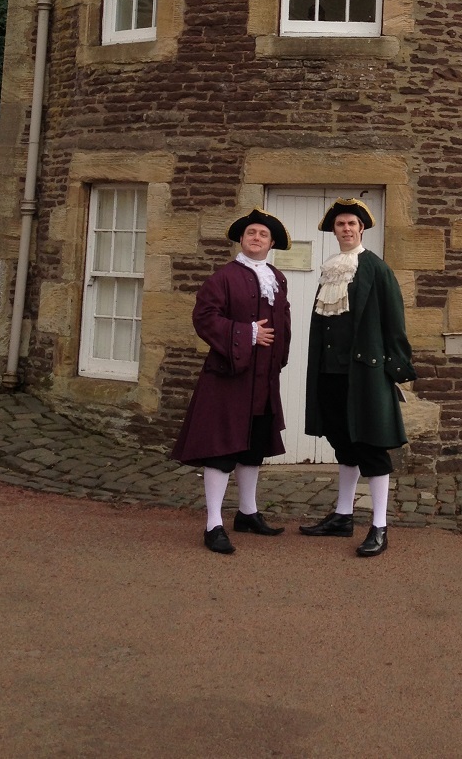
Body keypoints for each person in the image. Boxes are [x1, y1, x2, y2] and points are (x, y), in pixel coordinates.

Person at [300, 198, 417, 557]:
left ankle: (379, 526)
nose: (346, 229)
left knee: (371, 447)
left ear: (361, 229)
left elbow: (394, 323)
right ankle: (342, 516)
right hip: (330, 373)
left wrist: (394, 371)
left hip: (366, 374)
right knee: (343, 444)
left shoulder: (376, 269)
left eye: (351, 223)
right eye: (340, 225)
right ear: (333, 231)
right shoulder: (330, 268)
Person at [171, 208, 292, 553]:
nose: (256, 238)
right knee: (222, 449)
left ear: (271, 243)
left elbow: (283, 322)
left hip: (263, 380)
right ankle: (213, 523)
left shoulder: (278, 278)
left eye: (263, 235)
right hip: (228, 378)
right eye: (251, 233)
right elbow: (204, 317)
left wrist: (278, 359)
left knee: (253, 448)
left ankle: (248, 512)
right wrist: (248, 333)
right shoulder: (223, 277)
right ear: (242, 239)